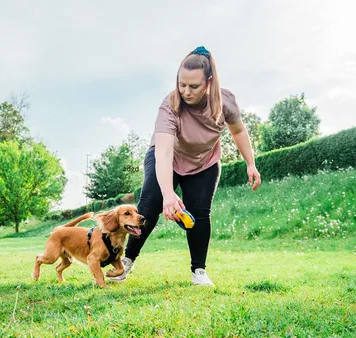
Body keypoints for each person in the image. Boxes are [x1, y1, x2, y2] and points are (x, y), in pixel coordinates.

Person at [109, 46, 261, 287]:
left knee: (200, 214)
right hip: (166, 158)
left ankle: (198, 271)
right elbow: (165, 151)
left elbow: (239, 130)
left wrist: (250, 163)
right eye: (182, 84)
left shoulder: (225, 101)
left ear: (208, 83)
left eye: (193, 86)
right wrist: (168, 195)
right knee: (149, 206)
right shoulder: (170, 104)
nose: (186, 91)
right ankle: (125, 262)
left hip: (204, 162)